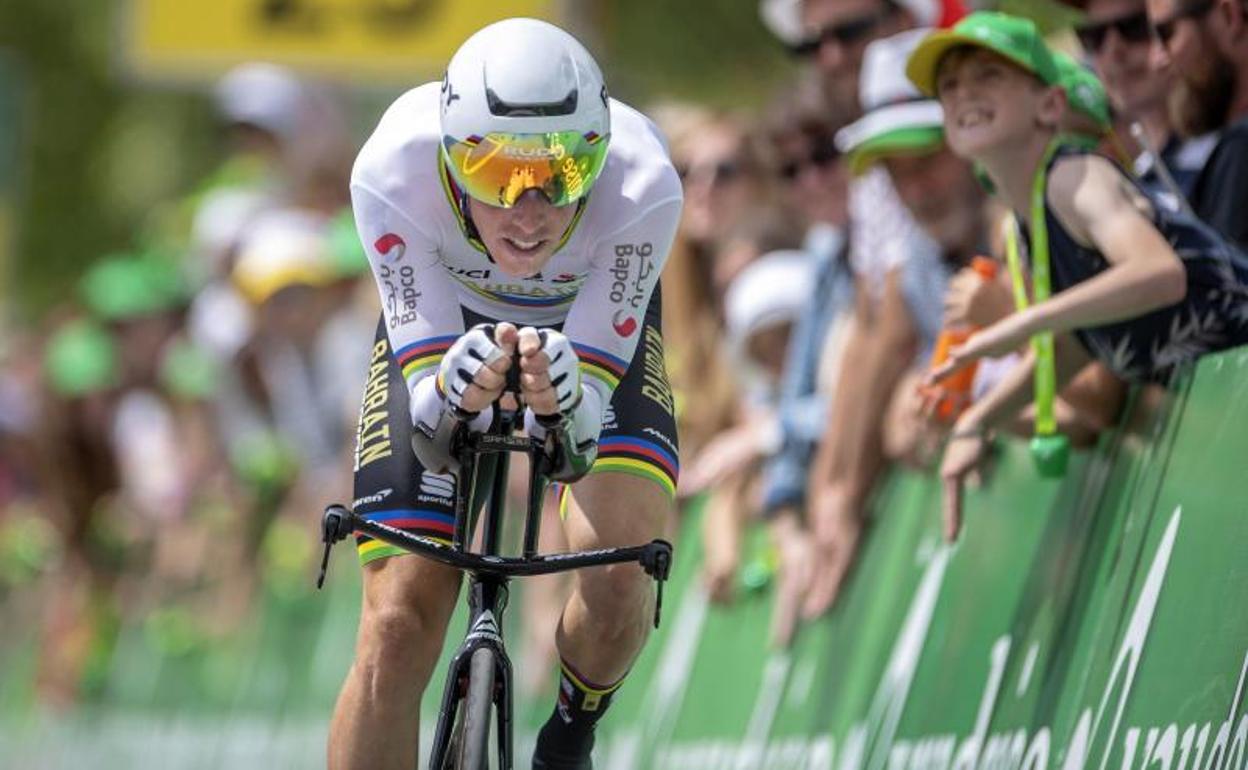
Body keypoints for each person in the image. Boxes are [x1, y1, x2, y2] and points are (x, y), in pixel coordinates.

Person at [329, 19, 683, 770]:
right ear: (452, 162)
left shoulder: (643, 181)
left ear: (598, 154)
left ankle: (569, 735)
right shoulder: (392, 168)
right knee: (395, 623)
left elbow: (580, 436)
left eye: (561, 175)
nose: (529, 211)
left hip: (585, 326)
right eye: (495, 174)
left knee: (621, 569)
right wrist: (447, 398)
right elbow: (429, 427)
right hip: (444, 323)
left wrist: (571, 397)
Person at [905, 11, 1248, 540]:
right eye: (948, 86)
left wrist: (1024, 322)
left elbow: (1160, 274)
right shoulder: (1028, 226)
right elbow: (1080, 345)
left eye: (989, 75)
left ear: (1050, 104)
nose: (964, 94)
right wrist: (979, 420)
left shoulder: (1073, 176)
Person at [1145, 0, 1248, 249]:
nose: (1157, 59)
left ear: (1229, 16)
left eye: (1166, 33)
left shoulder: (1241, 148)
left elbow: (1229, 284)